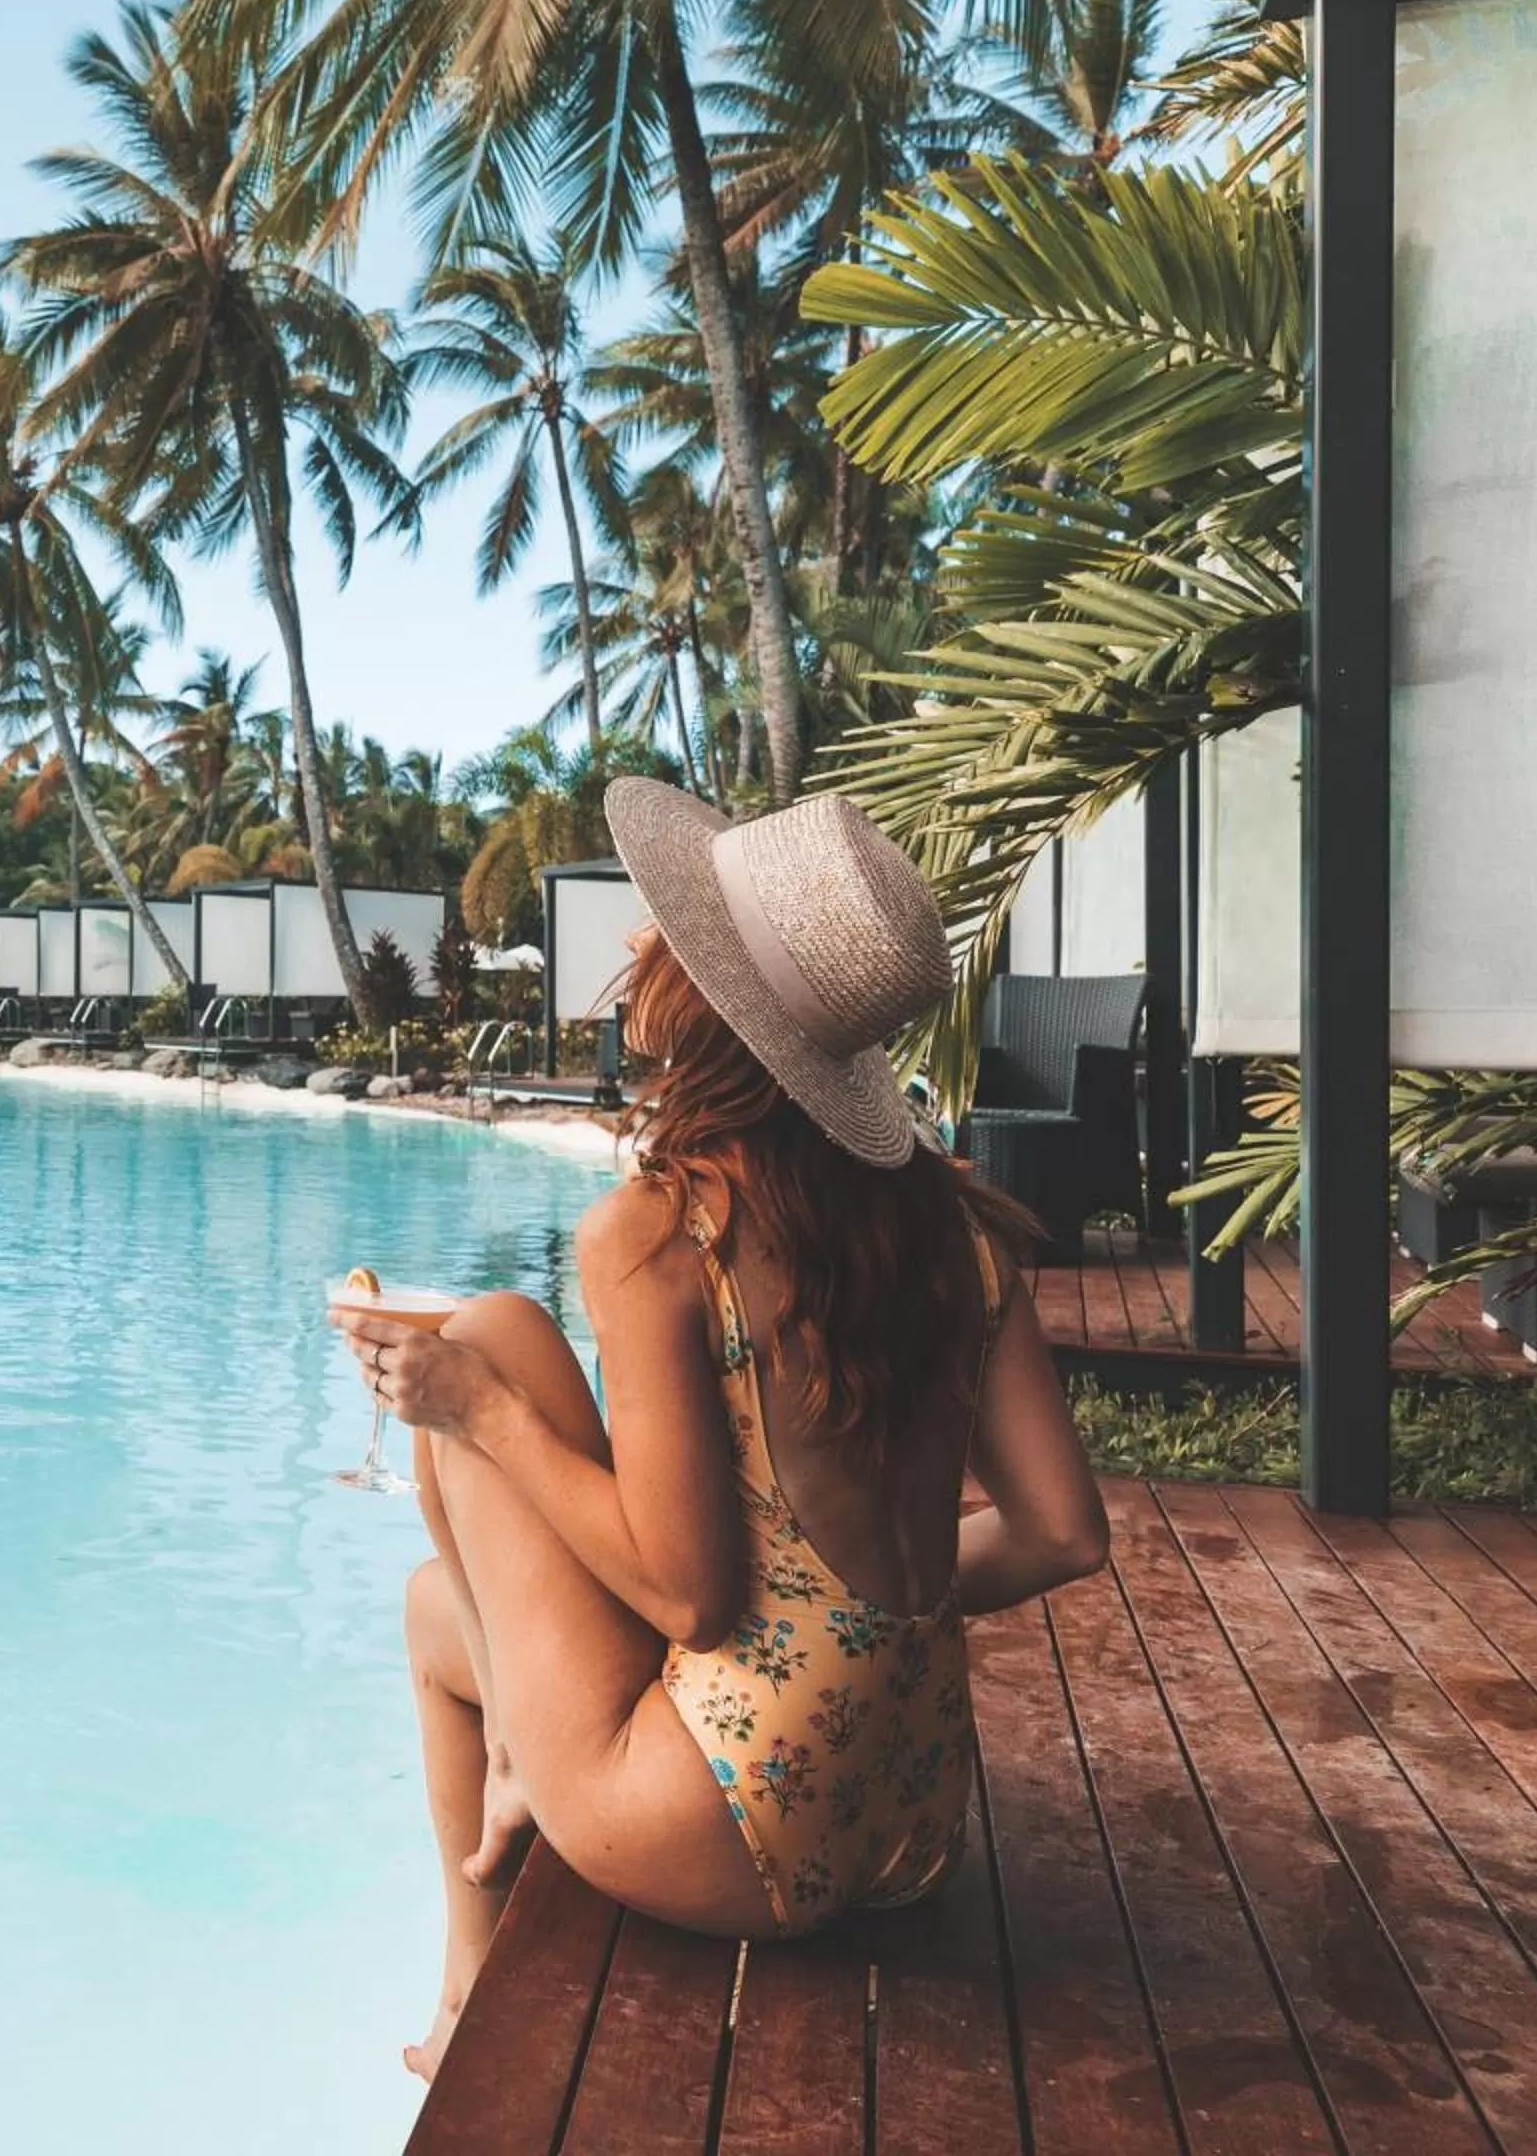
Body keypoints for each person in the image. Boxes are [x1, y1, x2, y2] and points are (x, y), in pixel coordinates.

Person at [336, 784, 1110, 2081]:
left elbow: (688, 1598)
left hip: (731, 1828)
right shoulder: (961, 1231)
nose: (646, 953)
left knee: (493, 1341)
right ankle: (468, 1978)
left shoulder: (662, 1231)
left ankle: (510, 1831)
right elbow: (1065, 1534)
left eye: (668, 935)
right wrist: (869, 1615)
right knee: (434, 1614)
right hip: (910, 1818)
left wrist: (478, 1411)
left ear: (695, 994)